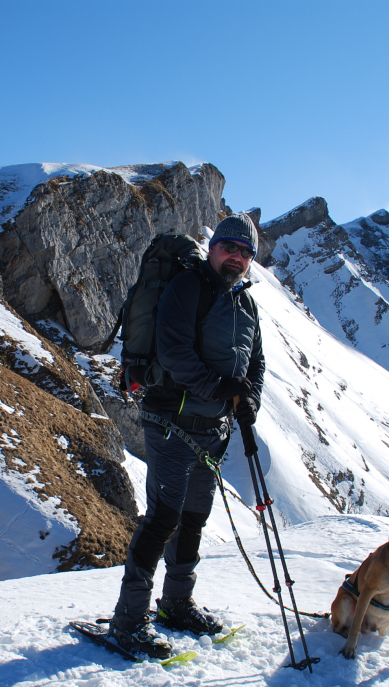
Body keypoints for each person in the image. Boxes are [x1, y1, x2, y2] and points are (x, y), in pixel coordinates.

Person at [109, 213, 266, 657]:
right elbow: (175, 351)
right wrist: (220, 389)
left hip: (213, 430)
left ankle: (177, 603)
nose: (236, 257)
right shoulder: (187, 287)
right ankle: (129, 620)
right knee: (163, 519)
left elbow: (255, 363)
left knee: (193, 518)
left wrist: (247, 398)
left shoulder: (246, 304)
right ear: (213, 248)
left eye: (245, 252)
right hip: (170, 422)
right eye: (229, 248)